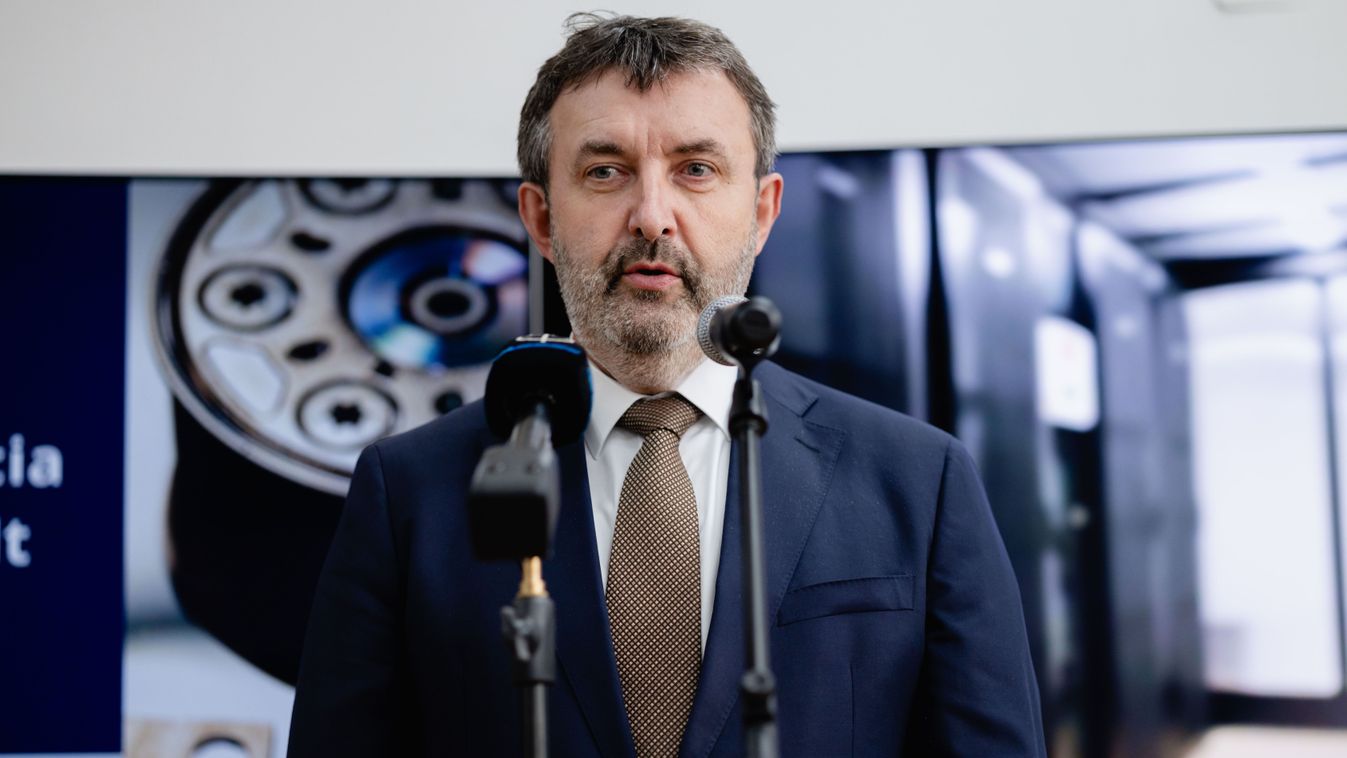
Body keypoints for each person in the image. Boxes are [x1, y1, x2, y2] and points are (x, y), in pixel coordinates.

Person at [289, 14, 1045, 757]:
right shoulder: (410, 493)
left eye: (696, 169)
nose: (652, 217)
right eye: (605, 172)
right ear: (541, 219)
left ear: (761, 212)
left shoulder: (917, 481)